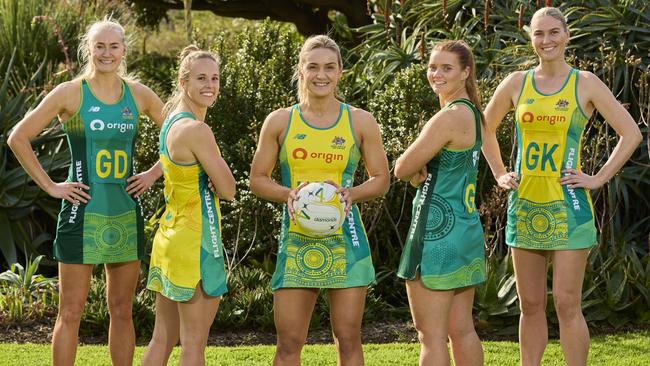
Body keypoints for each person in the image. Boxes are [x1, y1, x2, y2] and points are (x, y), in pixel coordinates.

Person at [481, 7, 642, 366]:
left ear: (566, 35)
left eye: (554, 32)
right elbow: (483, 127)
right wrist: (498, 172)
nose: (546, 40)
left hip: (569, 207)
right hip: (525, 205)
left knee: (567, 304)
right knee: (531, 305)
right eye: (539, 33)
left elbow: (630, 133)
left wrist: (598, 178)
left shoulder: (583, 82)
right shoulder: (516, 83)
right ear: (530, 38)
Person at [7, 18, 165, 366]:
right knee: (71, 311)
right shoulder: (70, 93)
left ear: (124, 50)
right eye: (99, 46)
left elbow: (182, 136)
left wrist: (154, 174)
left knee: (122, 310)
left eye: (113, 46)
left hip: (125, 213)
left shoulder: (138, 95)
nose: (106, 53)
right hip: (81, 215)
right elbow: (18, 137)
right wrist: (50, 186)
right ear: (88, 49)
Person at [249, 35, 389, 366]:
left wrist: (351, 193)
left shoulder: (360, 121)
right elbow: (257, 179)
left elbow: (382, 179)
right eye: (312, 67)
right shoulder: (281, 121)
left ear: (341, 72)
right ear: (301, 70)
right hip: (298, 241)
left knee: (349, 337)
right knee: (289, 343)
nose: (320, 74)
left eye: (329, 67)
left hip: (346, 241)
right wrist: (287, 194)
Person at [140, 45, 236, 366]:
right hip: (196, 244)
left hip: (170, 239)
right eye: (201, 78)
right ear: (183, 83)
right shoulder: (197, 130)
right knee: (194, 344)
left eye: (215, 78)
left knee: (162, 338)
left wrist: (211, 175)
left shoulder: (171, 122)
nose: (210, 84)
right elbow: (228, 189)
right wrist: (217, 175)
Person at [394, 40, 486, 366]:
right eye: (433, 66)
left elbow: (402, 167)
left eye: (447, 68)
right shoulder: (473, 113)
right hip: (464, 229)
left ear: (465, 72)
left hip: (436, 233)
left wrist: (417, 167)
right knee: (461, 330)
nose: (436, 73)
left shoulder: (448, 117)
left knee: (430, 337)